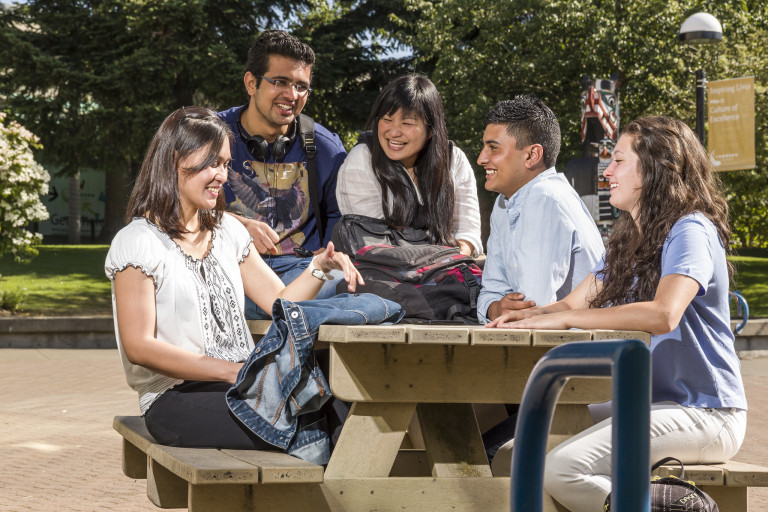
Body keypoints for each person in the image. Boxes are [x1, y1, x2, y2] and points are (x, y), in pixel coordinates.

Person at [489, 116, 748, 512]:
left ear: (657, 169)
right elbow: (573, 303)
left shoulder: (690, 229)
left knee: (562, 469)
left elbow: (664, 313)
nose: (607, 170)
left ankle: (677, 507)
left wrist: (565, 319)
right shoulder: (630, 238)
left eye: (619, 161)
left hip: (706, 412)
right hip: (648, 404)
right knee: (510, 455)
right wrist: (527, 316)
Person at [105, 107, 362, 449]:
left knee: (342, 409)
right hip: (175, 399)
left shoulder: (227, 231)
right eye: (211, 163)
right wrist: (230, 370)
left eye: (225, 164)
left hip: (242, 385)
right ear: (173, 160)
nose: (222, 175)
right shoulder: (139, 242)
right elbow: (139, 347)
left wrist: (319, 268)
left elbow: (279, 303)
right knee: (311, 428)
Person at [218, 30, 347, 318]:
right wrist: (236, 226)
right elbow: (172, 207)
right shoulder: (209, 135)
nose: (292, 95)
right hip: (230, 270)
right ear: (251, 83)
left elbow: (340, 214)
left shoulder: (326, 148)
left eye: (302, 86)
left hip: (302, 271)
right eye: (280, 82)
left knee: (351, 285)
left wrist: (328, 252)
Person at [476, 95, 604, 322]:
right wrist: (496, 308)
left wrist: (500, 310)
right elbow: (491, 293)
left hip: (580, 349)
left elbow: (534, 307)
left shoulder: (546, 196)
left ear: (531, 155)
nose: (481, 159)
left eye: (493, 148)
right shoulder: (503, 203)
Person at [336, 74, 483, 257]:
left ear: (430, 130)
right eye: (387, 120)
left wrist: (454, 261)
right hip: (387, 272)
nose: (394, 132)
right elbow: (373, 242)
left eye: (407, 123)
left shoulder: (454, 159)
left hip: (446, 266)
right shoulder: (362, 161)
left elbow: (468, 231)